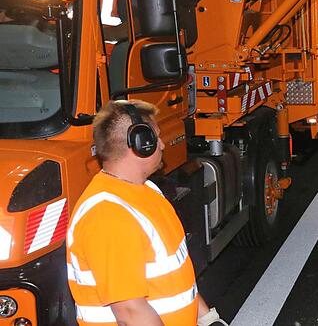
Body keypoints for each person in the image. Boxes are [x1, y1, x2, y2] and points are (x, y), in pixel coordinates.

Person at [66, 100, 228, 326]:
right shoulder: (109, 215)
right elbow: (132, 313)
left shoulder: (147, 190)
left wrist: (208, 319)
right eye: (156, 138)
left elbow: (174, 277)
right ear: (141, 143)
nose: (162, 145)